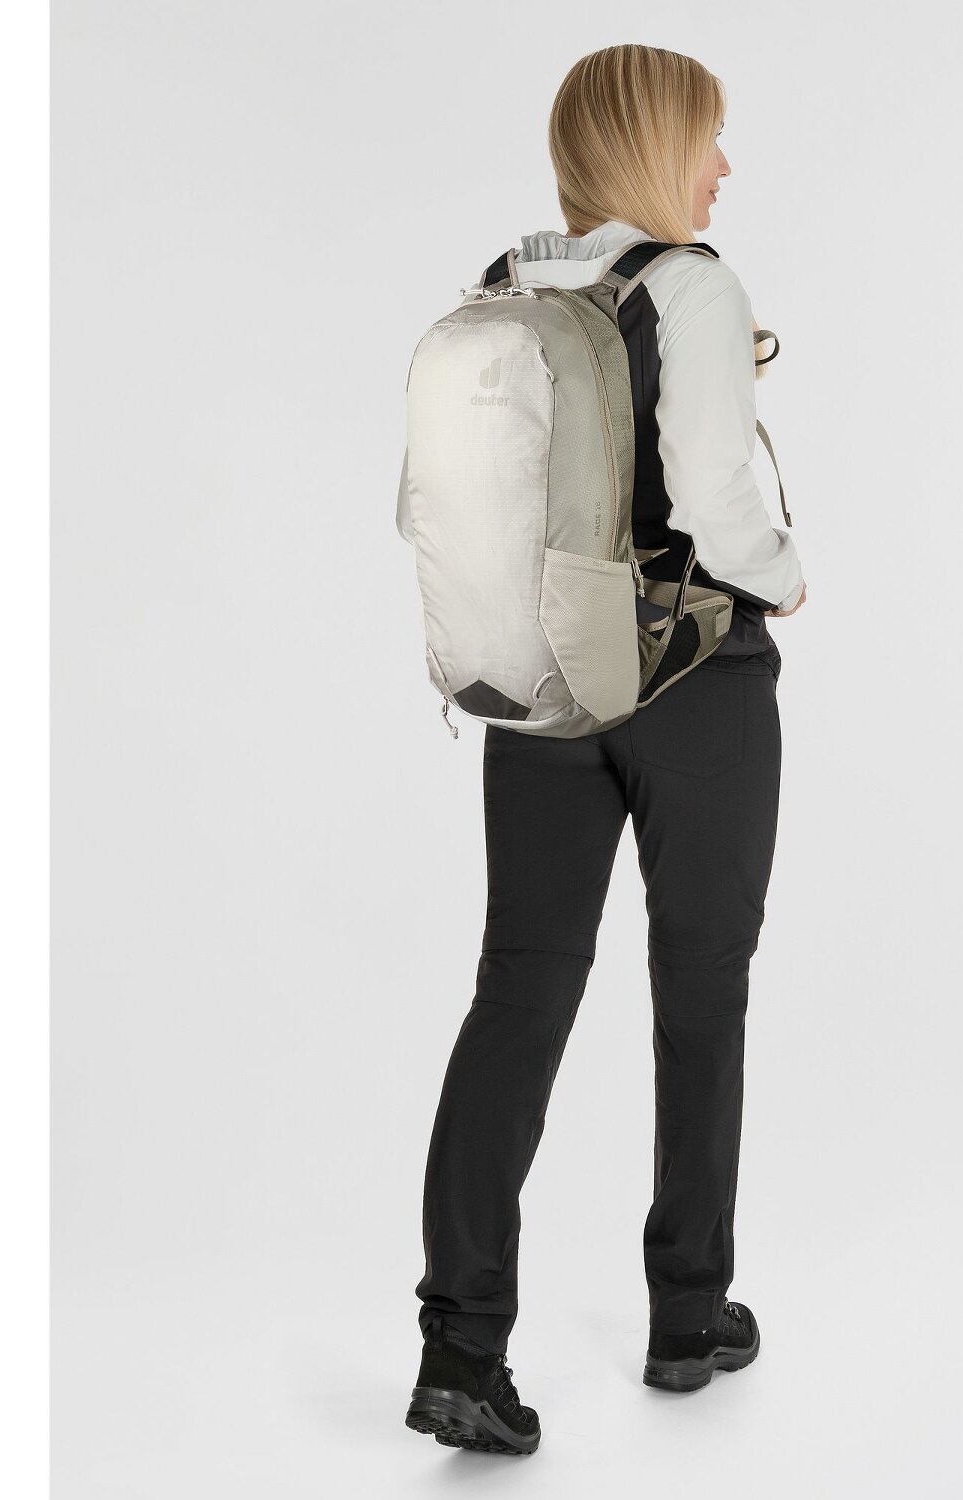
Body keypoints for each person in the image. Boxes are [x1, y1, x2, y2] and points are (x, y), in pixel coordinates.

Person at [398, 44, 807, 1456]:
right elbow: (713, 492)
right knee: (700, 990)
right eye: (710, 137)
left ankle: (461, 1348)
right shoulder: (692, 285)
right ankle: (688, 1314)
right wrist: (787, 575)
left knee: (518, 992)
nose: (723, 166)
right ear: (655, 142)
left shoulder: (514, 281)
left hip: (544, 678)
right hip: (692, 678)